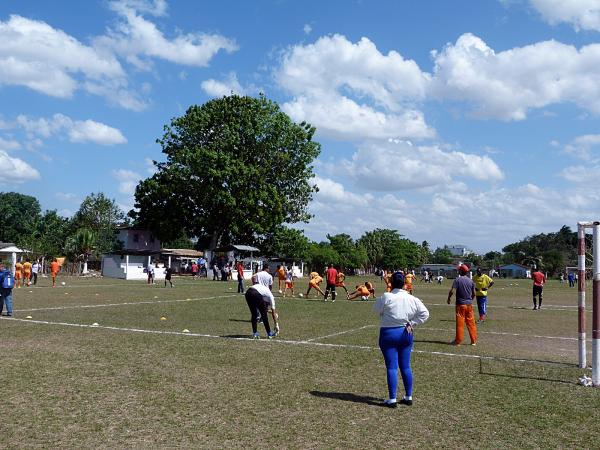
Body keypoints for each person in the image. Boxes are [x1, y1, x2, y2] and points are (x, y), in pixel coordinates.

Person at [373, 272, 429, 407]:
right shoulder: (411, 297)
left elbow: (375, 310)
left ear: (390, 282)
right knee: (406, 366)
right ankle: (408, 396)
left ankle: (392, 399)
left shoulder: (386, 296)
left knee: (392, 367)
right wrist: (413, 323)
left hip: (388, 333)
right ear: (404, 283)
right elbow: (425, 314)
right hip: (405, 333)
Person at [447, 264, 477, 346]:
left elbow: (452, 291)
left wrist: (449, 298)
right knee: (471, 323)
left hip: (460, 304)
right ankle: (473, 341)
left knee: (460, 324)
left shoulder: (457, 280)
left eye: (459, 270)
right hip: (469, 305)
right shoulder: (471, 281)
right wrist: (470, 300)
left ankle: (458, 341)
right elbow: (474, 293)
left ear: (461, 271)